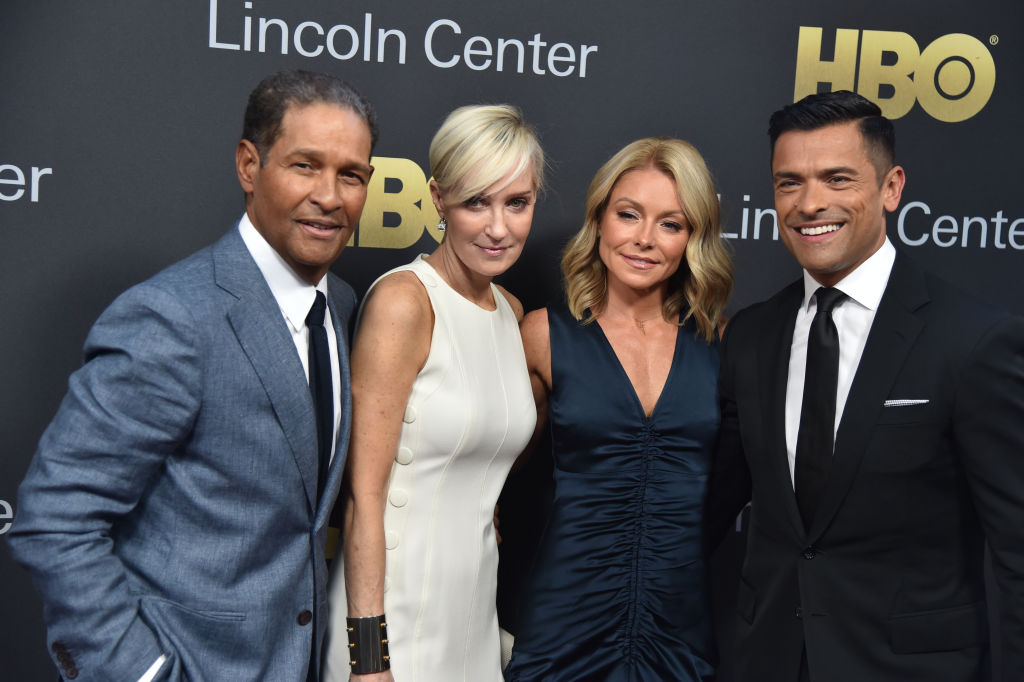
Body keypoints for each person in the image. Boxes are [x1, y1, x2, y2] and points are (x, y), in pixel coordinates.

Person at [7, 69, 377, 682]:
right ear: (249, 166)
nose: (330, 196)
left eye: (352, 175)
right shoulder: (172, 317)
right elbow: (55, 517)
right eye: (305, 166)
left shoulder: (340, 305)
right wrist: (145, 672)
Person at [706, 90, 1024, 682]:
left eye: (837, 178)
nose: (810, 203)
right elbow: (711, 507)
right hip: (766, 661)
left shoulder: (973, 340)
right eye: (789, 182)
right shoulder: (750, 336)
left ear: (891, 188)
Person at [322, 104, 544, 682]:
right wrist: (368, 659)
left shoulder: (510, 312)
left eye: (517, 203)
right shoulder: (404, 301)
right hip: (390, 612)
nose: (499, 228)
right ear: (438, 199)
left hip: (471, 613)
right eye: (477, 202)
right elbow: (362, 497)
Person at [504, 137, 733, 681]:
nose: (644, 238)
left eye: (670, 224)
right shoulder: (543, 335)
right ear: (600, 219)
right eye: (628, 214)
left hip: (680, 625)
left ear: (692, 238)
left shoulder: (723, 345)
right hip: (564, 620)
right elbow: (493, 469)